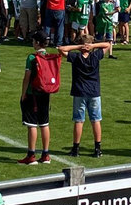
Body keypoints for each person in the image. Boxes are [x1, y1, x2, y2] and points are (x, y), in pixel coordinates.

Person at [60, 35, 111, 158]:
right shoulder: (95, 56)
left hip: (79, 92)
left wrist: (78, 47)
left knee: (79, 120)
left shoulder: (76, 57)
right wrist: (92, 46)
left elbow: (61, 49)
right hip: (94, 92)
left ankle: (75, 148)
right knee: (96, 120)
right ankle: (97, 149)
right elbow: (108, 44)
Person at [19, 31, 54, 165]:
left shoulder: (32, 57)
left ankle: (31, 154)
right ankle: (46, 154)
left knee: (32, 125)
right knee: (44, 124)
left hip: (32, 94)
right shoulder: (49, 57)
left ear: (38, 43)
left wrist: (23, 94)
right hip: (45, 93)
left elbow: (27, 77)